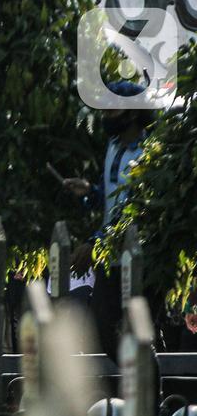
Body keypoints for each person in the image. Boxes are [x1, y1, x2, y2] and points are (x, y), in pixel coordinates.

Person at [62, 80, 153, 360]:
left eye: (112, 111)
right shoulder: (113, 147)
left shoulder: (149, 151)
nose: (105, 116)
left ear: (132, 113)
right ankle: (142, 392)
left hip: (141, 256)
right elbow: (113, 200)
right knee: (104, 326)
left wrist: (94, 243)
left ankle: (149, 398)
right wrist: (90, 192)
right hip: (110, 254)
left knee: (134, 331)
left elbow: (135, 209)